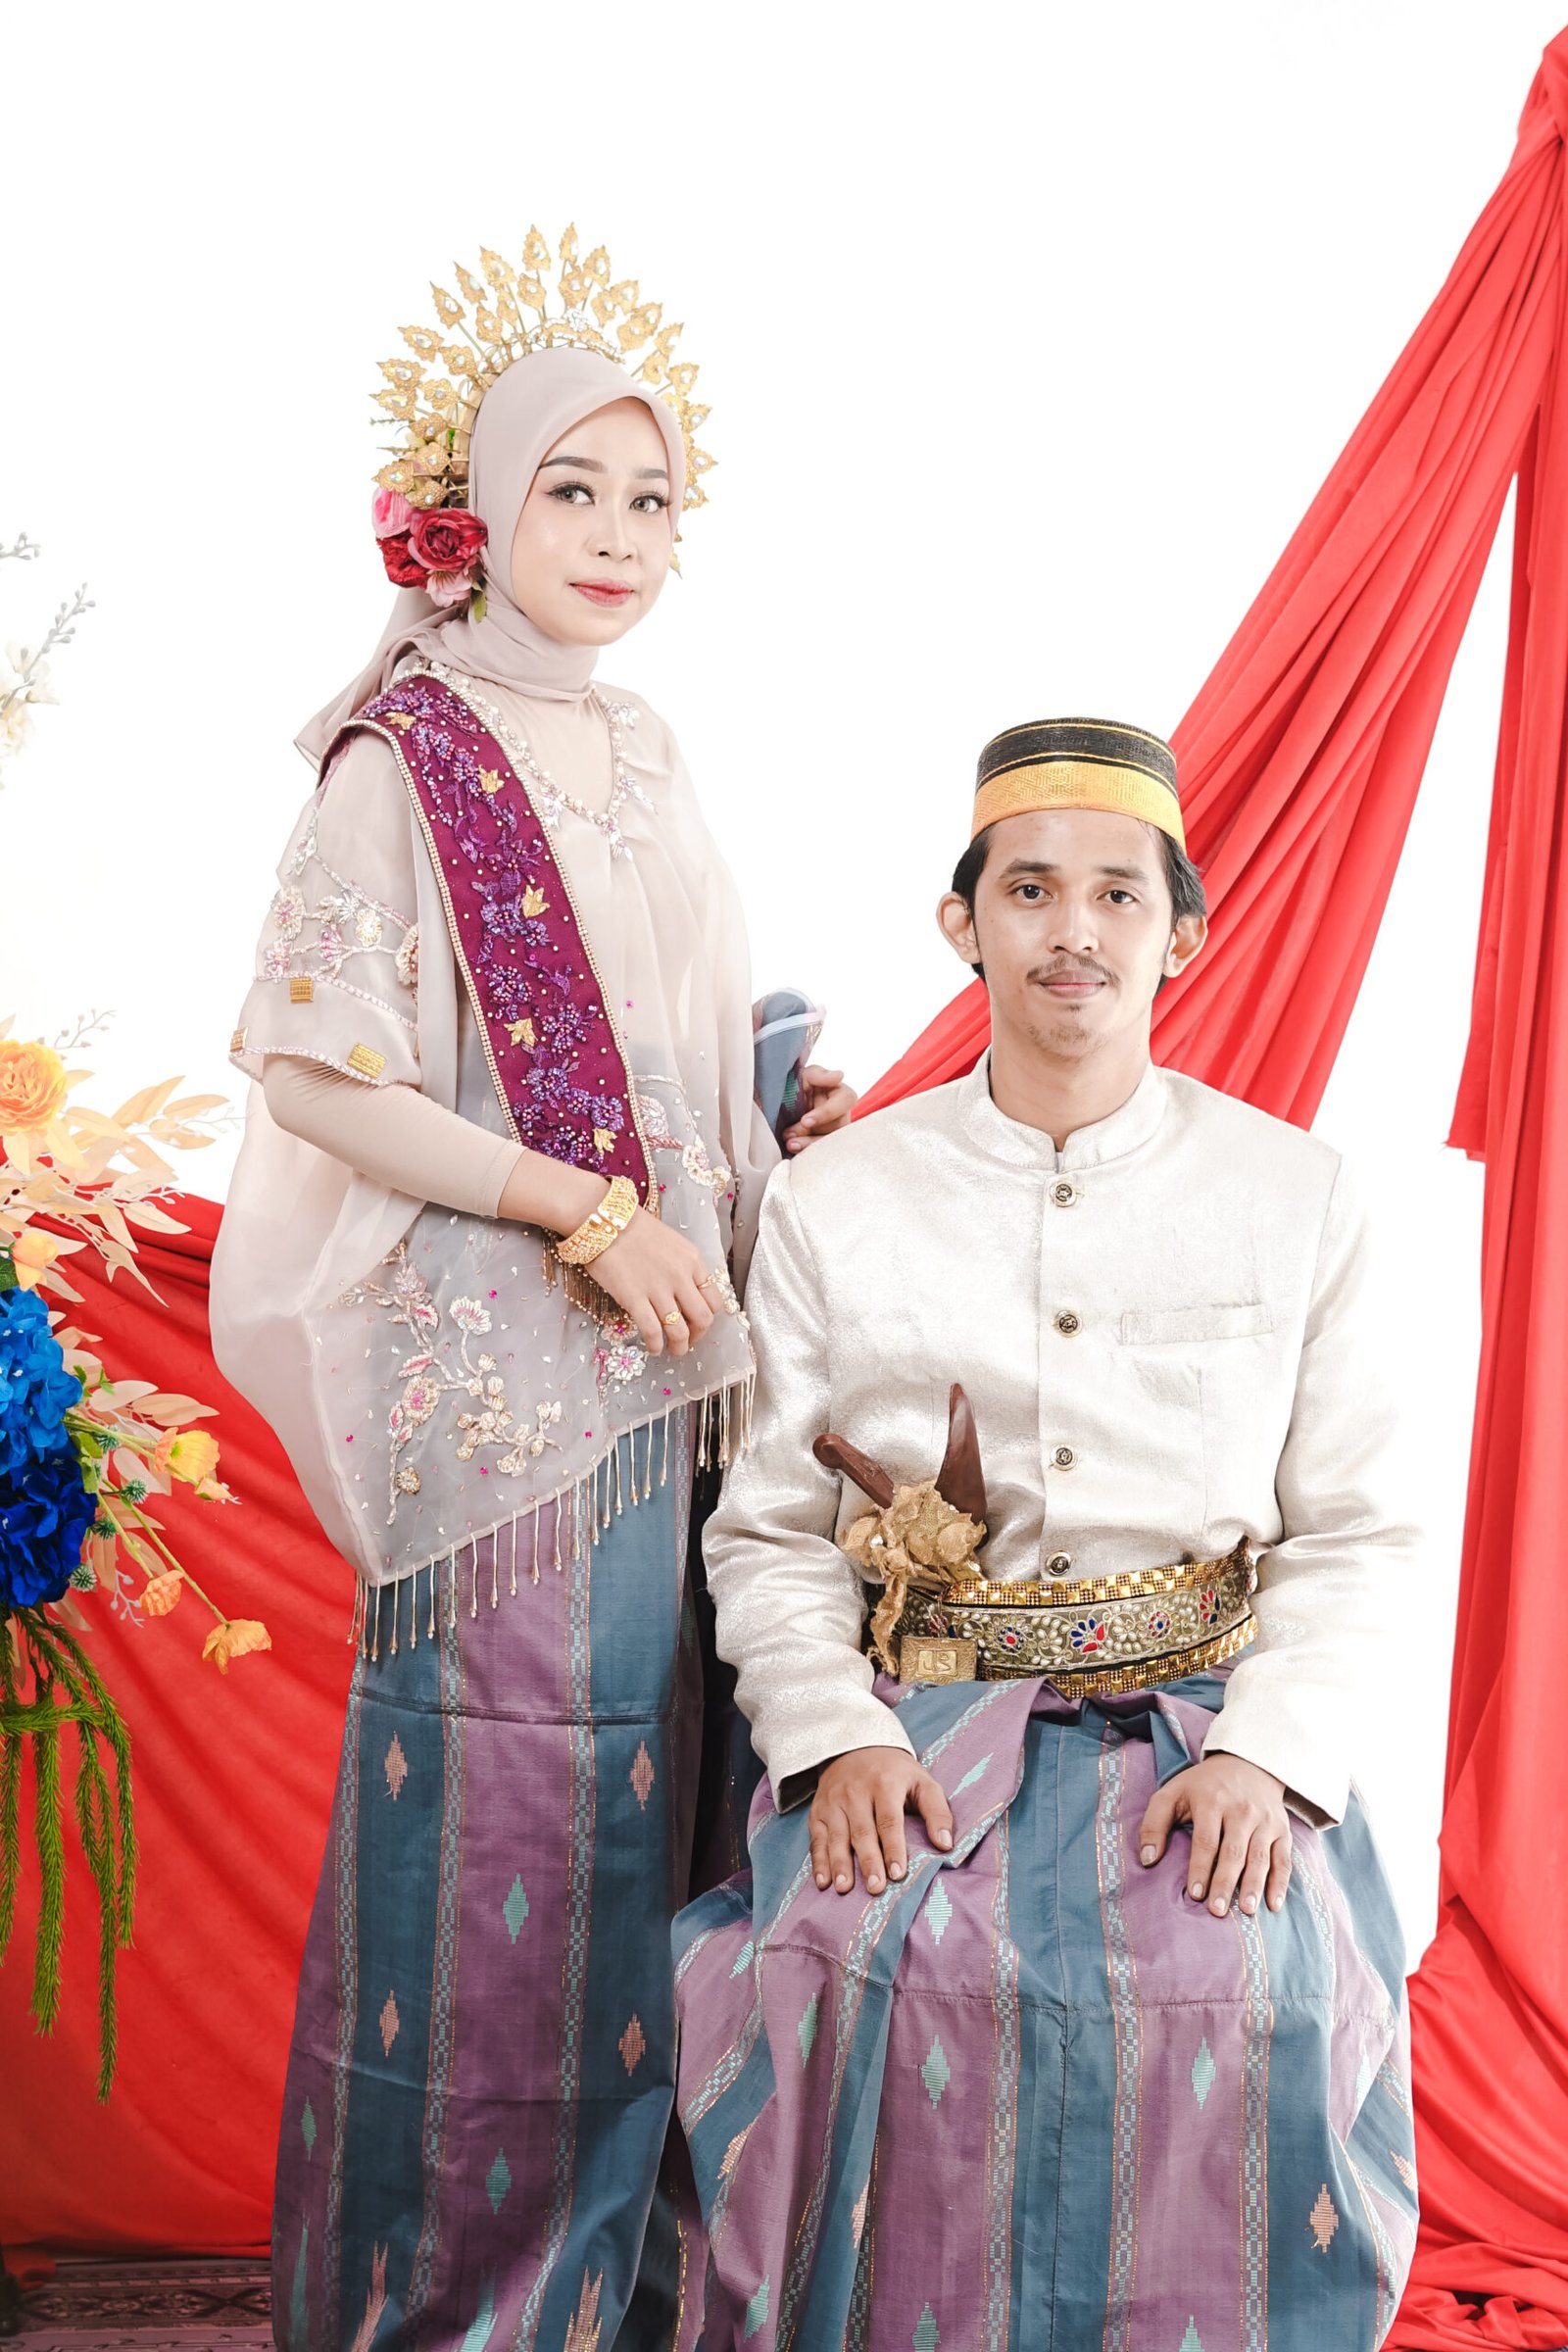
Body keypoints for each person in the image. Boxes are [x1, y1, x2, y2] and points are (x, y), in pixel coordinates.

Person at [209, 235, 854, 2352]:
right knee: (497, 1846)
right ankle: (442, 2306)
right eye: (572, 488)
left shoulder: (644, 746)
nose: (616, 536)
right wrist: (586, 1214)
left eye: (651, 499)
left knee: (653, 1837)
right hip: (497, 1396)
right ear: (475, 505)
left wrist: (771, 1107)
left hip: (672, 1376)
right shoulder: (402, 759)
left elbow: (673, 1054)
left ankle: (624, 2300)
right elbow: (318, 1070)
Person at [674, 719, 1418, 2350]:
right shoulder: (839, 1199)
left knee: (1261, 1985)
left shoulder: (1295, 1193)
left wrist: (1270, 1760)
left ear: (1181, 934)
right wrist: (834, 1739)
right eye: (1028, 889)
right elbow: (773, 1531)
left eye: (1116, 894)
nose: (1073, 930)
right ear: (964, 921)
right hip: (923, 1730)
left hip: (1208, 1737)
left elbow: (1361, 1530)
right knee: (853, 1963)